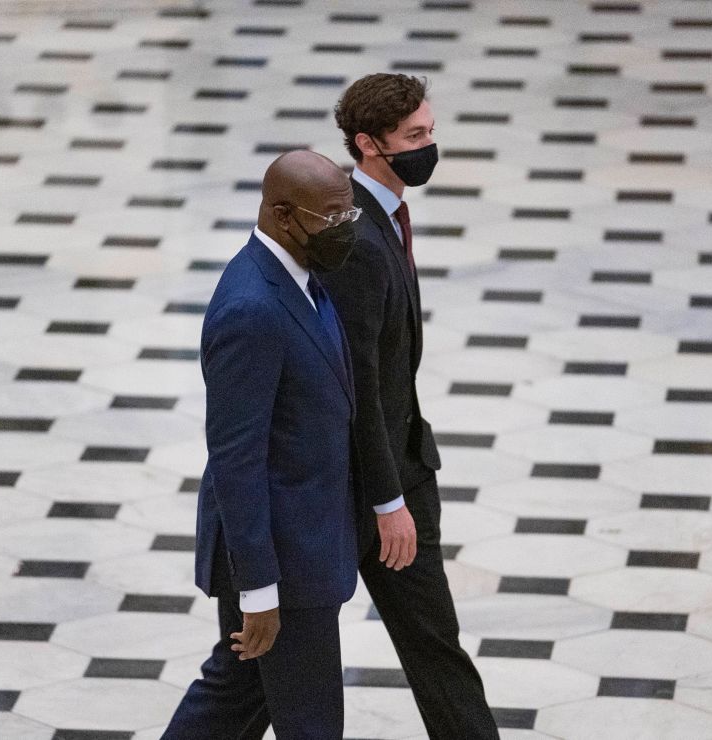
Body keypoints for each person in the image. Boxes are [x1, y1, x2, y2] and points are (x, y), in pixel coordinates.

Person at [320, 73, 500, 739]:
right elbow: (361, 383)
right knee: (259, 668)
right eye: (414, 137)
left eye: (430, 131)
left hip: (402, 464)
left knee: (436, 649)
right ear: (368, 144)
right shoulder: (357, 236)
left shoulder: (384, 213)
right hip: (368, 488)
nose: (429, 147)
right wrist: (388, 501)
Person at [161, 150, 363, 739]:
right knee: (311, 723)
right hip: (281, 560)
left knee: (235, 699)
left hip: (306, 545)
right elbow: (237, 460)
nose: (344, 230)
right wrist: (260, 589)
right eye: (332, 218)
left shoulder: (299, 275)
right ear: (281, 215)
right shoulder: (252, 308)